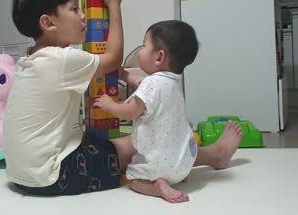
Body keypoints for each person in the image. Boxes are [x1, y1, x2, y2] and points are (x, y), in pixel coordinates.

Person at [3, 0, 136, 195]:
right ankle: (203, 154)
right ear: (48, 23)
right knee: (130, 145)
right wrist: (114, 4)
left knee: (94, 137)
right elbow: (114, 59)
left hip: (21, 176)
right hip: (53, 177)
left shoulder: (30, 58)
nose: (83, 15)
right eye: (75, 9)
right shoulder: (61, 60)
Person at [94, 20, 243, 203]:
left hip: (157, 165)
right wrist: (122, 74)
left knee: (133, 179)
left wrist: (110, 105)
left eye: (144, 45)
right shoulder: (171, 82)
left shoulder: (151, 85)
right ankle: (176, 177)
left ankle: (156, 187)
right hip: (183, 163)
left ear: (159, 57)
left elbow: (131, 112)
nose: (140, 50)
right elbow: (138, 82)